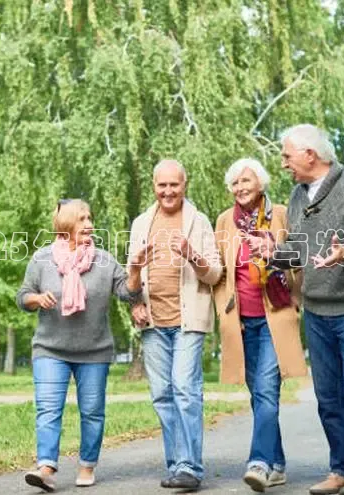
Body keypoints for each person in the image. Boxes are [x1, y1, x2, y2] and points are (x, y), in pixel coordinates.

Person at [249, 125, 344, 495]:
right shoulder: (298, 196)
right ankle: (341, 469)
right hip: (317, 312)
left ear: (310, 155)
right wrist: (274, 253)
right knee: (328, 396)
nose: (283, 163)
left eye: (287, 156)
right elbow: (300, 251)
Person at [16, 199, 149, 492]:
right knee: (48, 409)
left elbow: (127, 293)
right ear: (66, 225)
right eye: (82, 219)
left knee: (92, 411)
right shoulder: (42, 259)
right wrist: (37, 299)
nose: (89, 224)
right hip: (50, 349)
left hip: (94, 351)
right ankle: (46, 467)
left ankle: (87, 465)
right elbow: (23, 296)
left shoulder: (104, 260)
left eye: (90, 218)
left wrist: (136, 271)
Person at [213, 158, 308, 492]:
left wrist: (295, 296)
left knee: (267, 390)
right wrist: (225, 312)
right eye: (235, 182)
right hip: (241, 321)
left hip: (274, 316)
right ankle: (277, 463)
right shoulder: (225, 221)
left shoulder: (280, 214)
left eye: (246, 180)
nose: (240, 187)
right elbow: (220, 272)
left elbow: (300, 256)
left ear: (261, 183)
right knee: (259, 395)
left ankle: (259, 462)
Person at [129, 159, 223, 491]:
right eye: (162, 185)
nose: (168, 191)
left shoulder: (198, 221)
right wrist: (135, 302)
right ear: (154, 185)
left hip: (188, 320)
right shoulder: (141, 223)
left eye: (174, 185)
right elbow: (132, 278)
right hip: (153, 322)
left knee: (185, 389)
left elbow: (215, 274)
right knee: (162, 394)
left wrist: (191, 254)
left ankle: (190, 467)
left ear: (185, 185)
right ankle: (177, 465)